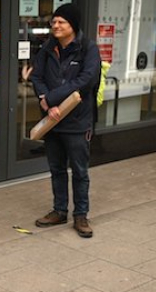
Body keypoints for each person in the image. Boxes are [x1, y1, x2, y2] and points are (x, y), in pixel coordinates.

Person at [29, 4, 101, 238]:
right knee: (57, 169)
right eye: (54, 22)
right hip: (52, 121)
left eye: (61, 22)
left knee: (79, 170)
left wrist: (51, 99)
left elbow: (85, 81)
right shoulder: (48, 48)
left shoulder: (88, 49)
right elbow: (37, 76)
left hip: (78, 122)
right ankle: (60, 210)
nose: (55, 26)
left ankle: (81, 215)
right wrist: (43, 99)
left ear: (73, 25)